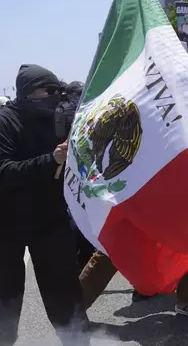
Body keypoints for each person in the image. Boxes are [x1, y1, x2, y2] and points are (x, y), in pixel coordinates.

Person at [0, 64, 89, 344]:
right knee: (5, 303)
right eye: (48, 91)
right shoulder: (6, 121)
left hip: (50, 220)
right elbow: (5, 171)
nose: (55, 97)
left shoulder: (60, 119)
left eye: (57, 91)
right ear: (29, 93)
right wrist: (51, 159)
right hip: (8, 225)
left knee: (66, 300)